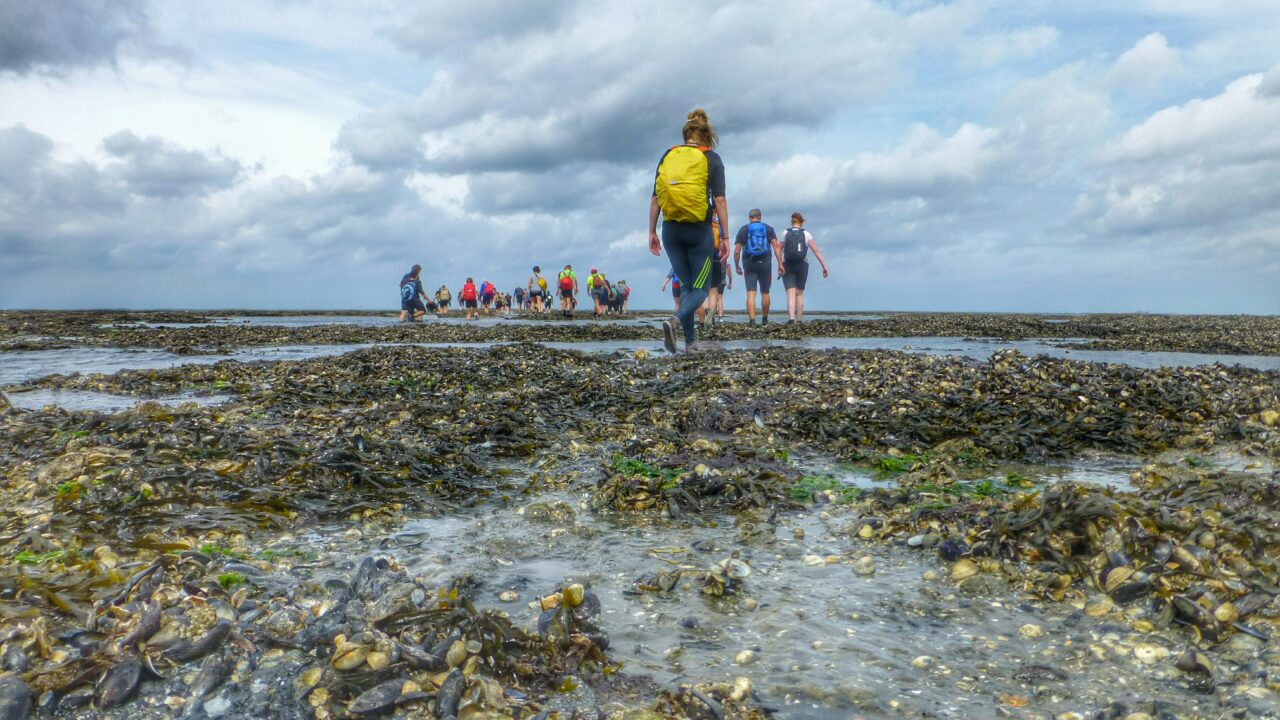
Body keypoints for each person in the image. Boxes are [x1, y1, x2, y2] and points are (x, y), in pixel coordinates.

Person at [649, 109, 729, 352]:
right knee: (701, 289)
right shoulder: (712, 159)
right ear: (707, 135)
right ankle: (675, 321)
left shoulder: (669, 155)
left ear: (686, 135)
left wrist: (651, 231)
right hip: (699, 231)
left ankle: (690, 344)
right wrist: (725, 236)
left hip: (671, 230)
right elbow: (721, 201)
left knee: (686, 287)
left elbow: (655, 198)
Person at [779, 212, 831, 323]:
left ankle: (791, 319)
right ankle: (799, 320)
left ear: (792, 222)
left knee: (790, 293)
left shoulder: (785, 233)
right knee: (799, 294)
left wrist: (779, 264)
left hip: (787, 264)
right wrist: (824, 266)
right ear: (802, 222)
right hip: (802, 265)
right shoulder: (807, 234)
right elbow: (816, 251)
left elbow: (779, 250)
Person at [734, 209, 781, 326]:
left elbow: (736, 251)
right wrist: (780, 263)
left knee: (751, 293)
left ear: (749, 217)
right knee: (765, 292)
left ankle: (752, 321)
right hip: (765, 264)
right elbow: (776, 247)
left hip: (749, 264)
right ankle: (765, 320)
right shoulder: (769, 229)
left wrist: (737, 265)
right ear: (760, 217)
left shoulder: (744, 229)